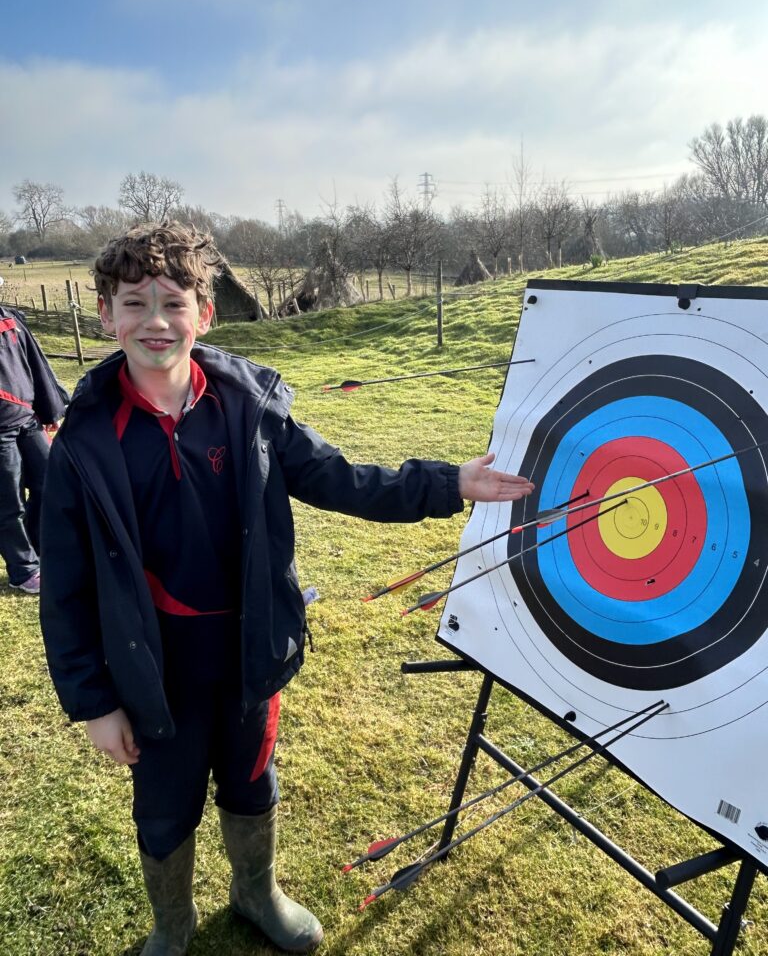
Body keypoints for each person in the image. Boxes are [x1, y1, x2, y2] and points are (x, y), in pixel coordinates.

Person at [39, 222, 535, 956]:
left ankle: (255, 891)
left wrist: (448, 483)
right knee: (165, 805)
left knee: (251, 778)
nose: (154, 321)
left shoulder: (251, 408)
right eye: (134, 303)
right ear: (106, 315)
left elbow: (340, 478)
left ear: (205, 314)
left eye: (172, 303)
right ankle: (171, 926)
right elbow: (67, 591)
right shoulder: (81, 443)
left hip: (251, 648)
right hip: (151, 671)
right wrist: (94, 702)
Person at [0, 281, 68, 594]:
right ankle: (23, 570)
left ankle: (41, 550)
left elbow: (36, 367)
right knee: (8, 503)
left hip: (27, 420)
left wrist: (50, 410)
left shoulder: (11, 322)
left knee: (51, 482)